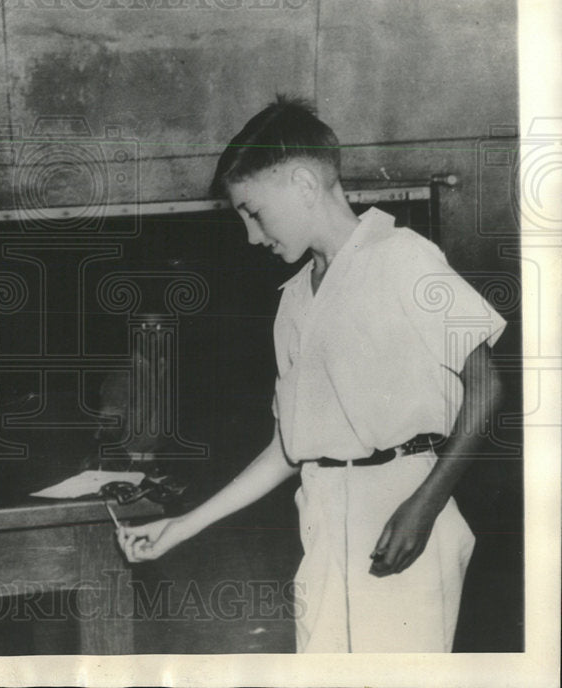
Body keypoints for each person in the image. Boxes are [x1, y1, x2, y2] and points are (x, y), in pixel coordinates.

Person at [118, 96, 505, 652]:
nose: (252, 236)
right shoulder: (295, 298)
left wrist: (425, 504)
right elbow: (288, 448)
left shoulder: (404, 257)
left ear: (303, 183)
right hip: (323, 522)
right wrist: (180, 526)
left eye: (253, 211)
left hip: (402, 509)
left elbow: (487, 387)